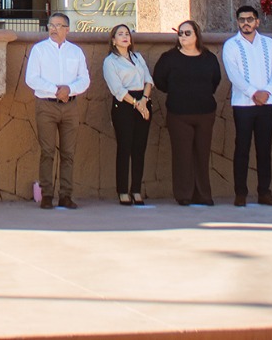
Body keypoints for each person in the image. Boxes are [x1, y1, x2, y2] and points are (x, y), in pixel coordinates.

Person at [152, 19, 222, 206]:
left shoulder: (209, 58)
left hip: (205, 112)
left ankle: (203, 195)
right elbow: (160, 81)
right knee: (182, 155)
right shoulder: (169, 58)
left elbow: (215, 80)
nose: (183, 36)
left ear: (196, 35)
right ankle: (184, 195)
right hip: (179, 113)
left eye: (187, 33)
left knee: (202, 153)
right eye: (180, 33)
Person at [24, 12, 90, 209]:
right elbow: (32, 78)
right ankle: (47, 195)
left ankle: (65, 195)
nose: (53, 29)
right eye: (51, 25)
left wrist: (70, 90)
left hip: (70, 106)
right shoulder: (39, 50)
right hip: (46, 105)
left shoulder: (76, 52)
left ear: (67, 29)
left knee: (68, 152)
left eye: (58, 25)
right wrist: (56, 90)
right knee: (47, 151)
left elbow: (84, 79)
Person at [221, 5, 272, 206]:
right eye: (241, 19)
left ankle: (265, 192)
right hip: (243, 104)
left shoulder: (269, 44)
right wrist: (253, 93)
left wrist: (267, 92)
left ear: (257, 21)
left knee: (264, 148)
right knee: (242, 148)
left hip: (267, 102)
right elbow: (233, 74)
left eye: (249, 19)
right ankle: (241, 193)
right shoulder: (231, 45)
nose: (245, 23)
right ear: (237, 22)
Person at [102, 24, 154, 205]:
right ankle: (123, 190)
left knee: (139, 148)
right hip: (124, 104)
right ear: (113, 40)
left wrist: (144, 101)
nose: (125, 37)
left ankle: (136, 189)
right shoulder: (110, 61)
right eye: (120, 34)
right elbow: (117, 89)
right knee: (125, 147)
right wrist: (135, 104)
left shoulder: (138, 57)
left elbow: (148, 80)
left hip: (143, 102)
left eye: (127, 34)